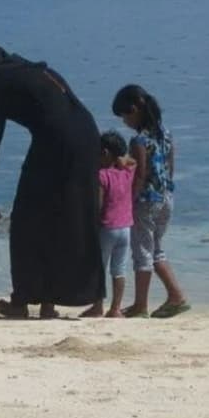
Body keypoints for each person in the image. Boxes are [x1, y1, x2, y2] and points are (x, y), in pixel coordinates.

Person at [0, 45, 104, 319]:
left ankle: (21, 301)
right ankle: (59, 301)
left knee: (27, 221)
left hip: (56, 143)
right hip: (88, 138)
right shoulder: (36, 70)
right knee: (71, 219)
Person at [112, 84, 190, 318]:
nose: (124, 122)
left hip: (146, 200)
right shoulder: (166, 134)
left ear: (134, 110)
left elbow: (140, 173)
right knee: (156, 249)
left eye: (124, 116)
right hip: (166, 197)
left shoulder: (138, 141)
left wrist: (129, 200)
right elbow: (171, 168)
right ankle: (176, 295)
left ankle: (140, 305)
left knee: (142, 252)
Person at [80, 131, 135, 318]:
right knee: (119, 269)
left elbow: (99, 204)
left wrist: (90, 224)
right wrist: (121, 159)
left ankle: (97, 306)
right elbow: (132, 161)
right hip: (126, 228)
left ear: (104, 153)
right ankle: (116, 308)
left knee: (99, 269)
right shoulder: (127, 173)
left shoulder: (101, 175)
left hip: (107, 228)